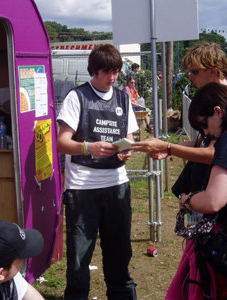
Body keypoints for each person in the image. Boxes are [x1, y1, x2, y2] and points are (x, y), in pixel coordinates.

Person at [168, 83, 227, 299]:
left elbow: (214, 200)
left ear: (218, 112)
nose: (205, 132)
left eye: (204, 124)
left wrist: (188, 200)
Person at [56, 44, 138, 300]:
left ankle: (122, 294)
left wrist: (127, 150)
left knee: (119, 252)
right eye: (106, 72)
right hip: (83, 189)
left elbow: (130, 135)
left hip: (117, 185)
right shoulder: (77, 97)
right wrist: (88, 147)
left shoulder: (124, 98)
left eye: (115, 71)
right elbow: (61, 142)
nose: (111, 77)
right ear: (94, 70)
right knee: (80, 257)